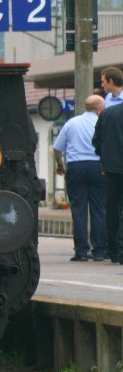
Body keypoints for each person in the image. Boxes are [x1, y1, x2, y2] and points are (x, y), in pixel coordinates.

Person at [53, 94, 107, 262]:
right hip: (98, 168)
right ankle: (99, 251)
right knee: (99, 210)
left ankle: (81, 252)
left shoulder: (71, 123)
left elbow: (57, 148)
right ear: (99, 109)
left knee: (79, 211)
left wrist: (61, 165)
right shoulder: (102, 123)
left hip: (76, 168)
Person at [92, 99, 123, 264]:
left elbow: (96, 140)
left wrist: (105, 157)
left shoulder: (108, 113)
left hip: (112, 169)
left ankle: (113, 251)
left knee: (112, 209)